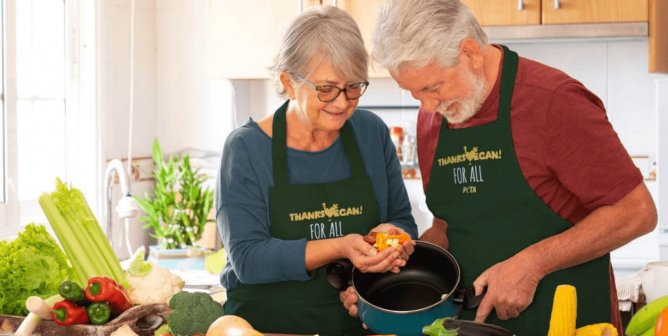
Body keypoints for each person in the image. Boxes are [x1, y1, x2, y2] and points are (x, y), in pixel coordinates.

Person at [340, 0, 658, 335]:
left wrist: (531, 265)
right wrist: (384, 278)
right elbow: (449, 227)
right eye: (417, 94)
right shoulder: (434, 118)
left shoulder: (553, 101)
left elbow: (637, 212)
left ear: (470, 53)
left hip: (569, 324)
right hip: (471, 326)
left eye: (433, 88)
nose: (428, 106)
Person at [215, 5, 417, 335]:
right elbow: (248, 259)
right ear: (288, 82)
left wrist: (394, 240)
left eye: (353, 87)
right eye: (326, 88)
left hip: (355, 327)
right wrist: (341, 246)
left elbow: (404, 221)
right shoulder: (246, 149)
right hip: (265, 329)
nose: (342, 102)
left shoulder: (371, 134)